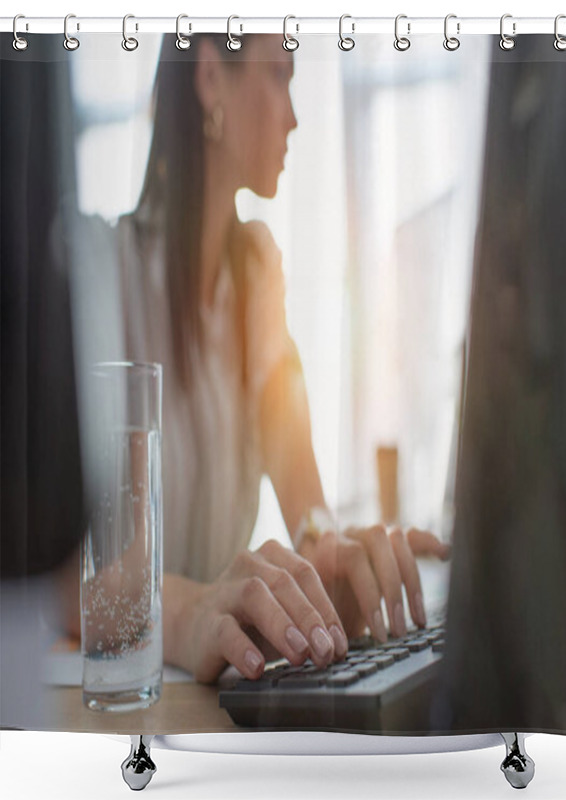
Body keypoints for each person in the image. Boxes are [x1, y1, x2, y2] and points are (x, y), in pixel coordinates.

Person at [55, 33, 449, 684]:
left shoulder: (259, 274)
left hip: (210, 696)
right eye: (278, 75)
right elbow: (59, 574)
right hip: (114, 697)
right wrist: (188, 612)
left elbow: (305, 497)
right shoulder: (99, 269)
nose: (294, 115)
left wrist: (331, 549)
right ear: (210, 77)